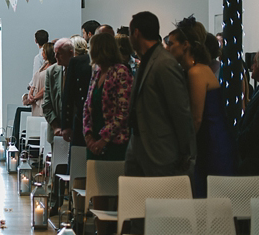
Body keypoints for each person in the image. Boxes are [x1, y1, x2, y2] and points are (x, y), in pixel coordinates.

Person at [166, 16, 235, 197]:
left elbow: (196, 118)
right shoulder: (200, 69)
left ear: (185, 45)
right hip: (212, 142)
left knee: (210, 199)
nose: (167, 48)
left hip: (212, 145)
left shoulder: (196, 72)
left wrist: (184, 152)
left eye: (171, 43)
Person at [125, 11, 196, 178]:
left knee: (159, 200)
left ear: (136, 33)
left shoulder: (164, 64)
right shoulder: (148, 60)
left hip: (159, 150)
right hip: (139, 144)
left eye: (130, 33)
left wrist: (186, 152)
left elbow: (180, 111)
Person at [83, 33, 133, 161]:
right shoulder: (97, 73)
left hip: (114, 144)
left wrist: (103, 140)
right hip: (93, 142)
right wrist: (88, 136)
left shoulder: (121, 72)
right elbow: (87, 107)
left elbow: (124, 111)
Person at [43, 38, 74, 213]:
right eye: (54, 54)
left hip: (74, 129)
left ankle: (73, 205)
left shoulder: (78, 69)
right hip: (56, 128)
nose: (56, 57)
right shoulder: (52, 72)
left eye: (58, 54)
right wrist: (56, 126)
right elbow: (47, 103)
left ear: (70, 53)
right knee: (57, 165)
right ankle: (54, 202)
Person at [62, 36, 92, 147]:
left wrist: (66, 124)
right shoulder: (79, 63)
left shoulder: (76, 63)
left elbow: (68, 95)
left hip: (81, 118)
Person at [238, 51, 259, 175]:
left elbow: (255, 127)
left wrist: (240, 140)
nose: (252, 67)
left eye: (254, 63)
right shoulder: (256, 90)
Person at [26, 42, 55, 116]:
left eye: (44, 52)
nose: (42, 54)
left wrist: (35, 97)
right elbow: (35, 79)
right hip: (35, 102)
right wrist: (31, 93)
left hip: (43, 101)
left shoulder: (54, 68)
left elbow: (47, 86)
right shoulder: (44, 64)